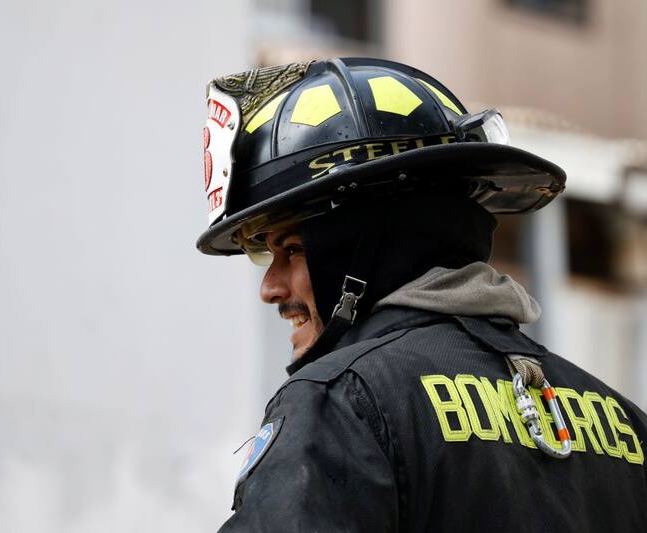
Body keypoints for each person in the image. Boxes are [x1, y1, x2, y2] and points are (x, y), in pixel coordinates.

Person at [197, 58, 647, 532]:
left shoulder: (341, 405)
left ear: (364, 246)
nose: (270, 288)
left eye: (293, 249)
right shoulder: (627, 426)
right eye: (264, 256)